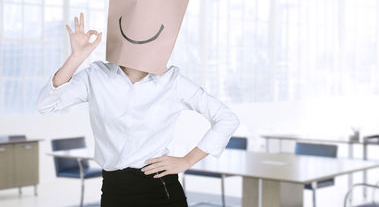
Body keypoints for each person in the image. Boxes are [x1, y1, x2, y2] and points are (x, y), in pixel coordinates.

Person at [37, 13, 241, 207]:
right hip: (114, 190)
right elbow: (45, 104)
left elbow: (226, 119)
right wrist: (76, 57)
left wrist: (187, 161)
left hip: (160, 188)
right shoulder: (96, 76)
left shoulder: (172, 81)